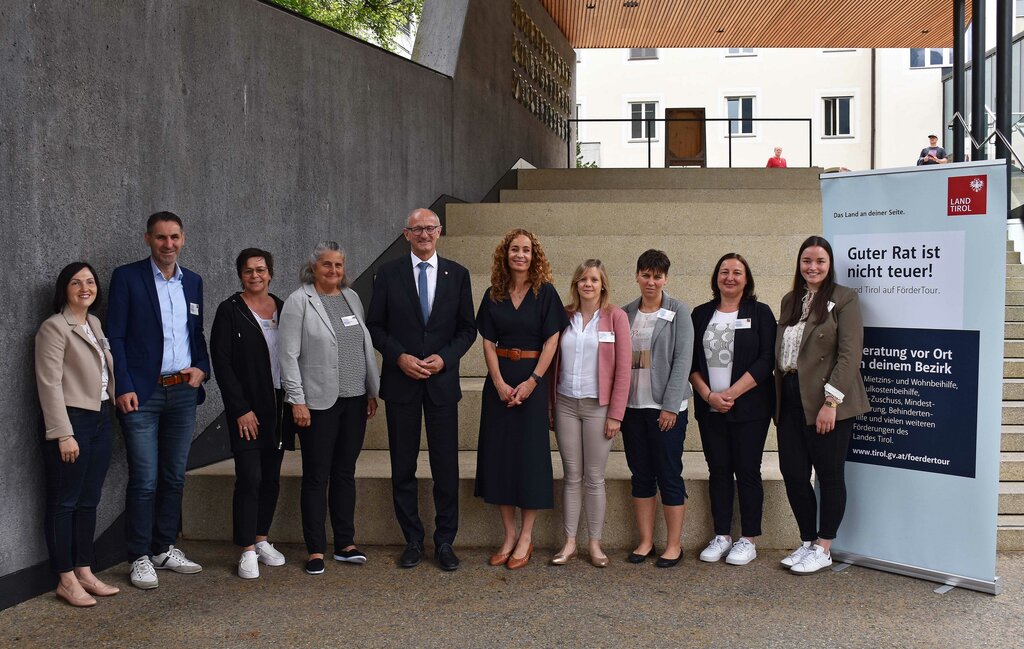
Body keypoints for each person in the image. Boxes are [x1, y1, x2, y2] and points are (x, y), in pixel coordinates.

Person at [366, 208, 476, 571]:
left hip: (442, 384)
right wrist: (398, 358)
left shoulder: (457, 275)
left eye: (430, 228)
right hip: (402, 384)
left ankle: (445, 541)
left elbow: (467, 330)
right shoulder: (388, 273)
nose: (424, 234)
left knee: (446, 467)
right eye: (417, 229)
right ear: (406, 234)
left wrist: (444, 359)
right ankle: (412, 539)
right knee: (403, 466)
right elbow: (376, 326)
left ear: (440, 232)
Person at [107, 211, 209, 589]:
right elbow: (114, 336)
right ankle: (139, 556)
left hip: (183, 391)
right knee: (145, 478)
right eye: (161, 238)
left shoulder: (193, 282)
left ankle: (164, 547)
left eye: (175, 237)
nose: (169, 245)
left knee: (173, 475)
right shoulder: (127, 277)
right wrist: (123, 385)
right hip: (142, 395)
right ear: (147, 238)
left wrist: (202, 367)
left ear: (183, 239)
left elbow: (196, 334)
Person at [279, 241, 379, 576]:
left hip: (354, 400)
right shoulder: (299, 301)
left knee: (344, 473)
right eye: (327, 265)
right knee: (316, 475)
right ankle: (316, 549)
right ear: (313, 267)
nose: (333, 271)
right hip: (317, 404)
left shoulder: (352, 298)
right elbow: (288, 356)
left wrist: (369, 391)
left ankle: (345, 543)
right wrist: (297, 400)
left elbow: (359, 347)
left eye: (338, 265)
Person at [775, 236, 870, 574]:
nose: (812, 267)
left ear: (829, 265)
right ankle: (806, 541)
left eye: (819, 261)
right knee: (793, 474)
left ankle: (824, 546)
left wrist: (831, 401)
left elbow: (849, 354)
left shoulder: (844, 298)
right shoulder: (790, 300)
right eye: (806, 261)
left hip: (827, 399)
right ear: (799, 264)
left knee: (829, 475)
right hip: (789, 397)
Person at [476, 229, 567, 570]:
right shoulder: (494, 293)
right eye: (515, 249)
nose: (520, 255)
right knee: (500, 459)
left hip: (532, 381)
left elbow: (552, 341)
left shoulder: (545, 293)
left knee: (529, 459)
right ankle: (509, 534)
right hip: (499, 382)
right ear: (506, 254)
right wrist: (498, 382)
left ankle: (527, 537)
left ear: (534, 255)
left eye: (526, 250)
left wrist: (532, 382)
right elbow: (486, 340)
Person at [35, 262, 119, 606]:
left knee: (89, 500)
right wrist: (62, 433)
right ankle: (65, 578)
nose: (85, 287)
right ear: (64, 289)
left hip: (101, 418)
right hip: (72, 421)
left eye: (90, 281)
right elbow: (49, 383)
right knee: (63, 501)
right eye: (75, 282)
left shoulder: (94, 323)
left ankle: (84, 570)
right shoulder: (54, 328)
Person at [689, 253, 777, 567]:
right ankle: (722, 535)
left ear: (746, 278)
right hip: (711, 408)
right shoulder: (700, 314)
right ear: (716, 277)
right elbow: (690, 362)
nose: (730, 277)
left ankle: (748, 538)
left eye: (737, 272)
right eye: (724, 271)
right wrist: (709, 395)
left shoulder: (760, 313)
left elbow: (767, 360)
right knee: (720, 470)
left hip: (750, 407)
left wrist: (732, 393)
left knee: (748, 471)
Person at [210, 249, 288, 579]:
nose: (255, 275)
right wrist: (240, 409)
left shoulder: (284, 308)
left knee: (271, 476)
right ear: (240, 274)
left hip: (280, 405)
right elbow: (222, 363)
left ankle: (261, 539)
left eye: (260, 270)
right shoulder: (229, 311)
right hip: (247, 408)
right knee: (250, 476)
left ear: (270, 273)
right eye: (248, 271)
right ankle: (245, 549)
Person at [550, 260, 631, 568]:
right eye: (583, 278)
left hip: (599, 408)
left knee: (594, 478)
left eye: (594, 279)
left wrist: (616, 414)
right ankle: (570, 542)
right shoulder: (565, 316)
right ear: (576, 283)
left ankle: (595, 544)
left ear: (603, 285)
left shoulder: (616, 317)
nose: (588, 284)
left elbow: (624, 369)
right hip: (566, 404)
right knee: (572, 476)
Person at [621, 249, 694, 568]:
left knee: (669, 474)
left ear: (666, 278)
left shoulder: (679, 311)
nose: (651, 282)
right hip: (633, 408)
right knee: (641, 475)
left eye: (658, 276)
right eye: (646, 275)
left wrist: (670, 407)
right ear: (637, 275)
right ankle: (646, 540)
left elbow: (682, 361)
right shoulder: (624, 314)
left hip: (666, 409)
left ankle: (674, 544)